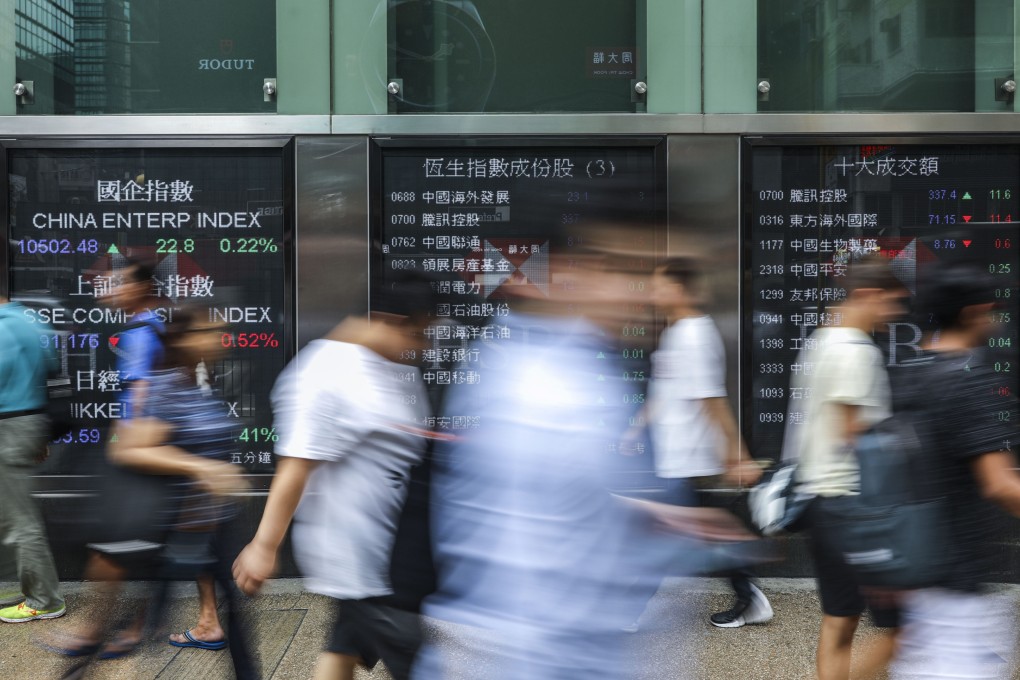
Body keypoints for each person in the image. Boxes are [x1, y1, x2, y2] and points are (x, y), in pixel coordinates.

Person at [233, 273, 438, 680]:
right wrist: (264, 545)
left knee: (342, 648)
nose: (423, 346)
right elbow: (296, 465)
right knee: (423, 663)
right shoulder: (324, 370)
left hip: (396, 547)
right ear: (387, 320)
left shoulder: (391, 366)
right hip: (367, 558)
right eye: (417, 334)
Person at [887, 263, 1020, 679]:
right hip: (957, 582)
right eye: (991, 311)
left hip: (912, 573)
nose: (995, 321)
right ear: (972, 313)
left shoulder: (907, 374)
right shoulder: (970, 380)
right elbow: (1000, 484)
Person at [787, 255, 908, 680]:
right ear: (868, 294)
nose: (894, 314)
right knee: (903, 628)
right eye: (892, 303)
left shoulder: (821, 339)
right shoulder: (856, 352)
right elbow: (852, 436)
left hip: (823, 500)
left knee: (840, 620)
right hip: (857, 507)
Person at [644, 257, 768, 628]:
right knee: (705, 530)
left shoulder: (695, 334)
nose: (652, 293)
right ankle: (749, 596)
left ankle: (749, 598)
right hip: (674, 454)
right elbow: (666, 391)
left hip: (690, 454)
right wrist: (635, 428)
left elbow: (712, 400)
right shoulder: (676, 331)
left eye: (658, 285)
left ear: (679, 290)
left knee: (664, 530)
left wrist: (737, 453)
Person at [0, 294, 65, 623]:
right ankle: (30, 587)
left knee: (19, 520)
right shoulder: (29, 320)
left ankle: (43, 598)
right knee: (12, 514)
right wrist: (40, 431)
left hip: (8, 426)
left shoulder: (3, 327)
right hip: (28, 422)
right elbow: (51, 373)